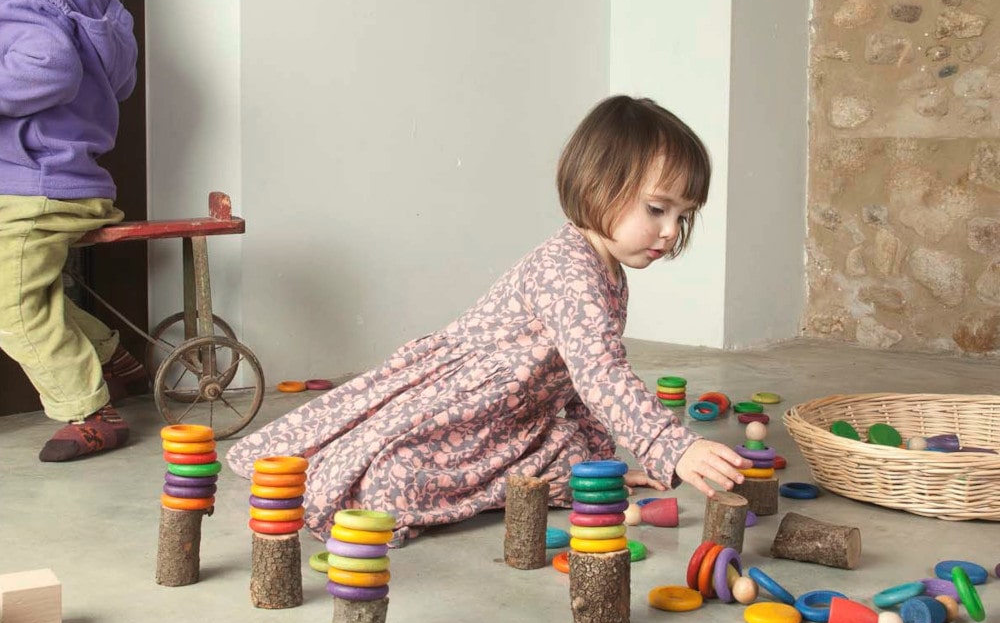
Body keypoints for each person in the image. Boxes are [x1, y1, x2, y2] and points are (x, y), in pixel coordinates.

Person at [227, 95, 751, 543]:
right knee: (389, 477)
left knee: (565, 455)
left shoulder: (610, 270)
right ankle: (358, 476)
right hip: (466, 401)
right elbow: (600, 376)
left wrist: (601, 472)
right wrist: (668, 444)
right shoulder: (571, 271)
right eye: (657, 209)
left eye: (683, 216)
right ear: (595, 188)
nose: (668, 232)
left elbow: (577, 384)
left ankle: (550, 470)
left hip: (514, 409)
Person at [0, 0, 147, 462]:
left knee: (14, 308)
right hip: (68, 184)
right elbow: (117, 77)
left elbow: (49, 66)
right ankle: (115, 356)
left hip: (31, 190)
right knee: (31, 296)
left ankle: (90, 411)